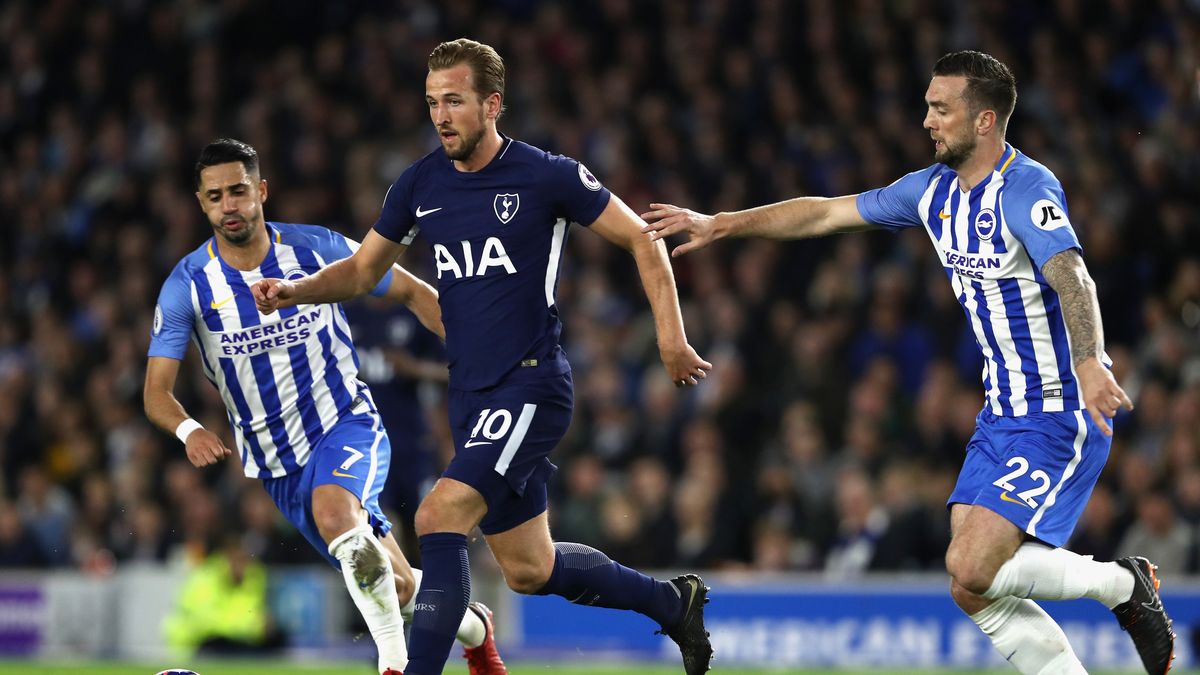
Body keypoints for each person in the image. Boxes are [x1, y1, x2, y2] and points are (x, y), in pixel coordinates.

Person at [641, 50, 1174, 675]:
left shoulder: (1026, 189)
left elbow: (1073, 276)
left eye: (941, 109)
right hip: (1001, 415)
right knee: (971, 587)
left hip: (1059, 410)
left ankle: (1123, 585)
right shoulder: (931, 191)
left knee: (972, 565)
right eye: (927, 107)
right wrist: (723, 223)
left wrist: (1088, 361)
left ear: (984, 120)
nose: (927, 121)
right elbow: (825, 211)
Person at [254, 38, 715, 675]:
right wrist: (295, 291)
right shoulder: (420, 183)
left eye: (454, 102)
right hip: (470, 394)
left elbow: (642, 238)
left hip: (531, 385)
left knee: (439, 514)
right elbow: (362, 272)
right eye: (432, 103)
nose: (441, 117)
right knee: (530, 569)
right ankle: (672, 603)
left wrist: (671, 339)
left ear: (492, 105)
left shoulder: (546, 175)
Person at [143, 138, 507, 675]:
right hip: (277, 464)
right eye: (215, 196)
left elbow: (412, 292)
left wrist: (483, 354)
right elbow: (156, 392)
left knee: (337, 515)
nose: (229, 206)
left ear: (261, 191)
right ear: (201, 203)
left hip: (345, 423)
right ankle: (476, 630)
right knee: (396, 586)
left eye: (238, 191)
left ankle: (394, 666)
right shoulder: (188, 285)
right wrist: (190, 430)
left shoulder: (316, 248)